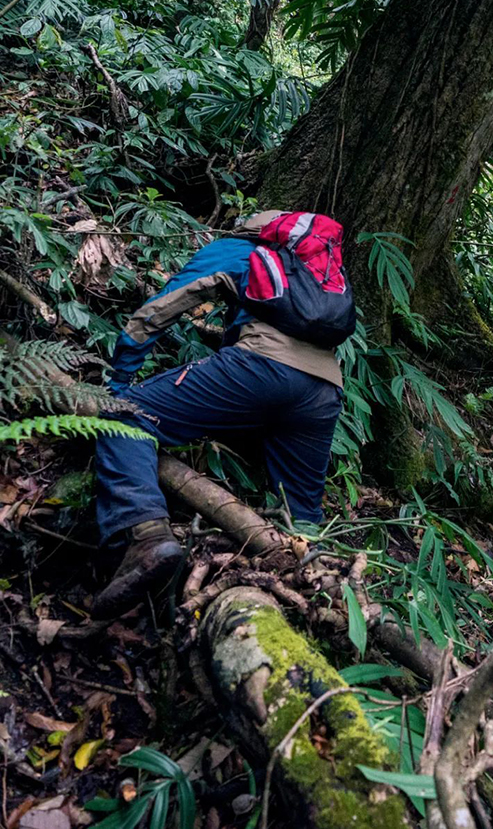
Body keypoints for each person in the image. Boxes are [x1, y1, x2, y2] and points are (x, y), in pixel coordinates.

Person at [92, 210, 345, 618]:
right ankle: (318, 599)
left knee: (127, 417)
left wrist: (119, 380)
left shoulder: (240, 250)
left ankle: (145, 536)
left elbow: (164, 306)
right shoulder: (318, 272)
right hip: (324, 393)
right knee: (302, 514)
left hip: (262, 369)